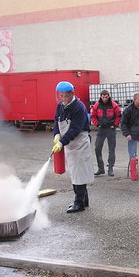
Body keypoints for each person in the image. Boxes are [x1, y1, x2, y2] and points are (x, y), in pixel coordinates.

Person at [51, 81, 94, 213]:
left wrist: (61, 142)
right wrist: (57, 134)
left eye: (65, 96)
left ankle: (79, 203)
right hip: (70, 144)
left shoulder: (79, 107)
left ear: (72, 94)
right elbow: (56, 122)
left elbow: (75, 129)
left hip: (79, 143)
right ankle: (84, 200)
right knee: (76, 174)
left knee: (80, 173)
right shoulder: (60, 106)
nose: (63, 99)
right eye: (61, 96)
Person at [90, 89, 121, 177]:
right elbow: (93, 116)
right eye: (103, 97)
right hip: (102, 129)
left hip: (111, 129)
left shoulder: (114, 105)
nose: (105, 99)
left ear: (108, 96)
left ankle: (110, 168)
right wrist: (97, 124)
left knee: (111, 149)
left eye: (106, 97)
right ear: (100, 96)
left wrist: (115, 125)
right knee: (97, 148)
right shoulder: (97, 105)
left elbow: (118, 116)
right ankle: (101, 168)